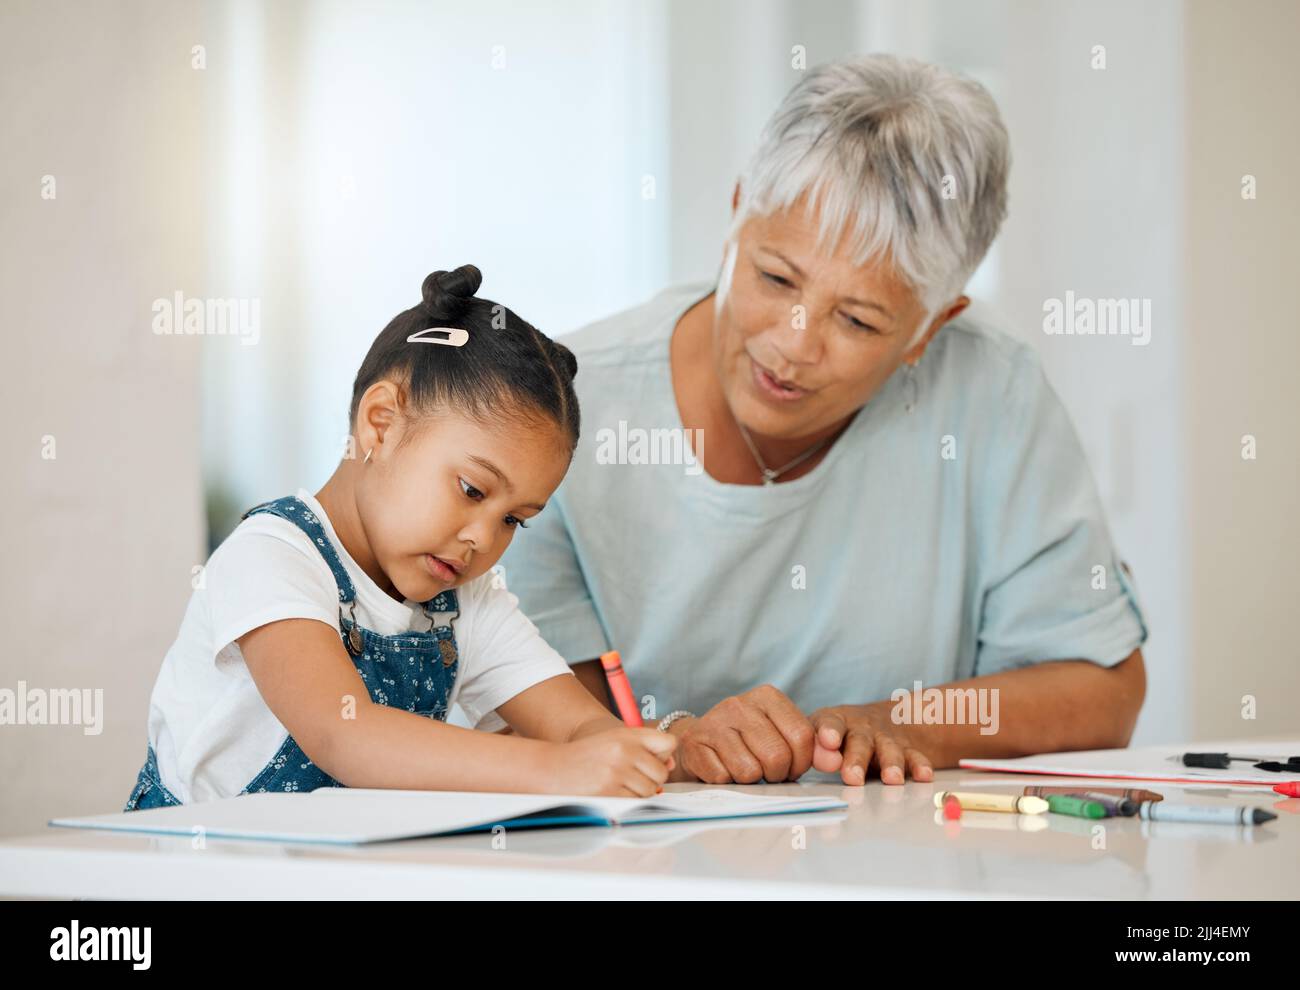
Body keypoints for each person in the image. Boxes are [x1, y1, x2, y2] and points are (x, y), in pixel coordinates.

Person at [499, 54, 1149, 787]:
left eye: (860, 319)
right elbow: (509, 698)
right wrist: (678, 746)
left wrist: (898, 722)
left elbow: (1103, 692)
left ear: (930, 329)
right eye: (775, 278)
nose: (792, 344)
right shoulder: (565, 401)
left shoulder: (991, 390)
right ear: (737, 215)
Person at [124, 264, 675, 809]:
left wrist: (637, 751)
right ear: (381, 423)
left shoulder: (467, 602)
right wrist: (556, 769)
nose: (483, 539)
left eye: (514, 519)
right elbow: (345, 735)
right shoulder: (271, 556)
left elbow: (581, 729)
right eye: (473, 489)